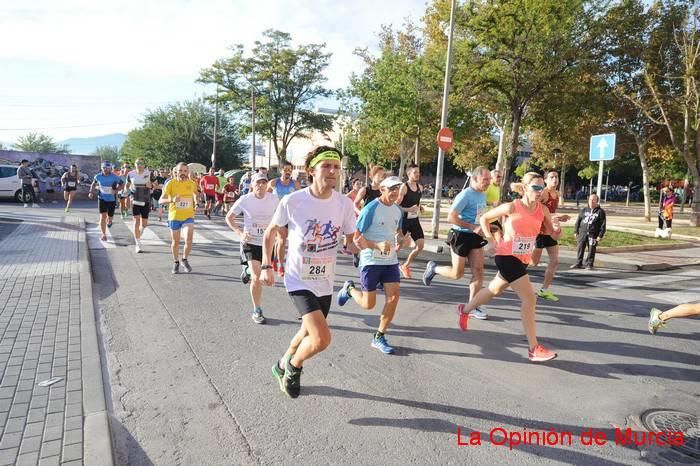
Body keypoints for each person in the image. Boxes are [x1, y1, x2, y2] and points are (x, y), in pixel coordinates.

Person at [263, 146, 357, 399]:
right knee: (321, 338)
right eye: (326, 166)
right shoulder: (293, 201)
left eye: (336, 166)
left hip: (324, 281)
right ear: (311, 170)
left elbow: (350, 240)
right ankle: (294, 367)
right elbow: (270, 232)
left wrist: (370, 247)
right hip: (297, 279)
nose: (332, 171)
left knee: (306, 332)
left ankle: (281, 364)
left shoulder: (344, 203)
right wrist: (266, 266)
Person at [456, 172, 559, 363]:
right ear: (525, 188)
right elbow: (484, 219)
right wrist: (489, 241)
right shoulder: (512, 206)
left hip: (523, 259)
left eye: (541, 187)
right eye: (535, 187)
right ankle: (533, 348)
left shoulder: (542, 210)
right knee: (529, 299)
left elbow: (550, 233)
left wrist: (556, 229)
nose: (539, 191)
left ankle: (465, 309)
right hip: (506, 255)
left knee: (493, 290)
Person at [337, 176, 405, 354]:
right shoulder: (371, 209)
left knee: (394, 297)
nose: (395, 193)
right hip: (371, 260)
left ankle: (379, 336)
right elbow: (356, 239)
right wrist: (377, 245)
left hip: (390, 260)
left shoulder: (398, 210)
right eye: (391, 189)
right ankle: (350, 289)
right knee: (368, 305)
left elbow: (398, 231)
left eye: (398, 189)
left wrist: (401, 239)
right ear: (382, 189)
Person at [422, 167, 491, 320]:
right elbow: (451, 218)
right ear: (474, 179)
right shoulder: (465, 195)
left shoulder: (482, 194)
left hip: (475, 236)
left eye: (489, 179)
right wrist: (473, 227)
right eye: (485, 179)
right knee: (457, 273)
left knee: (478, 271)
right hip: (460, 235)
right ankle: (434, 268)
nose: (488, 182)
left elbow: (480, 214)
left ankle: (473, 305)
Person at [226, 172, 279, 324]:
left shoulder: (274, 199)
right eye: (258, 183)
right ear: (252, 185)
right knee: (256, 278)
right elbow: (229, 217)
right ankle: (257, 310)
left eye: (264, 182)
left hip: (267, 244)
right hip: (250, 242)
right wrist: (240, 233)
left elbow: (282, 218)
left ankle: (247, 270)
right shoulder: (245, 200)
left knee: (266, 280)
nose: (261, 186)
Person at [528, 170, 570, 302]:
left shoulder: (556, 194)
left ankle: (544, 290)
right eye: (552, 177)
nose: (555, 179)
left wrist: (559, 218)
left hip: (549, 231)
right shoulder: (543, 193)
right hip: (539, 232)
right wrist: (555, 216)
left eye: (556, 177)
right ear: (546, 180)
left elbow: (550, 213)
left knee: (555, 261)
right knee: (532, 263)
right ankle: (510, 275)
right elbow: (536, 210)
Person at [160, 163, 198, 274]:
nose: (183, 173)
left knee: (188, 240)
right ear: (176, 171)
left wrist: (196, 202)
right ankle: (176, 262)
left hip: (188, 216)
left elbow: (195, 193)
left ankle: (184, 259)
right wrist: (171, 200)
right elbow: (161, 200)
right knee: (175, 242)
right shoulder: (170, 183)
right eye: (180, 170)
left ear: (188, 172)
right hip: (174, 217)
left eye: (185, 171)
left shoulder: (192, 183)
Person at [267, 160, 302, 276]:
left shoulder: (295, 184)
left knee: (282, 240)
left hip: (291, 216)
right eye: (286, 170)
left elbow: (301, 200)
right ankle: (281, 265)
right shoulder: (273, 183)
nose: (288, 172)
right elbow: (265, 197)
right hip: (278, 216)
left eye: (290, 170)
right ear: (281, 170)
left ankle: (276, 259)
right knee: (282, 239)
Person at [396, 164, 424, 279]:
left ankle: (405, 265)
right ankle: (383, 265)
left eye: (418, 172)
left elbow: (416, 202)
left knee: (420, 245)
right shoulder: (404, 187)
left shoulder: (420, 187)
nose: (417, 174)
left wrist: (420, 207)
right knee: (398, 246)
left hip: (414, 220)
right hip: (403, 221)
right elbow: (396, 206)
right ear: (409, 174)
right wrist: (408, 209)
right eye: (415, 172)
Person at [88, 162, 123, 241]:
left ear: (110, 169)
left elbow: (122, 184)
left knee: (110, 217)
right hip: (101, 198)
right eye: (104, 168)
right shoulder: (98, 176)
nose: (106, 170)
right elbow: (93, 184)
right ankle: (104, 234)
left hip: (112, 199)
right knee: (102, 216)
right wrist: (91, 192)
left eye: (107, 168)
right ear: (102, 168)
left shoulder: (114, 177)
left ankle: (110, 221)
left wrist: (117, 190)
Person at [571, 194, 606, 270]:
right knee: (580, 248)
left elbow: (603, 225)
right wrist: (575, 231)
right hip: (582, 233)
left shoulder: (600, 212)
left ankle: (589, 264)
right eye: (590, 199)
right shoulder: (583, 210)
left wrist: (600, 235)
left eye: (593, 200)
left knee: (591, 249)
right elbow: (578, 221)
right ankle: (578, 263)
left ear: (597, 201)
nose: (591, 201)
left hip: (593, 234)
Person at [127, 158, 154, 253]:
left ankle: (138, 234)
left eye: (141, 163)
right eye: (138, 163)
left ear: (144, 165)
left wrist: (150, 185)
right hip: (135, 199)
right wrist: (128, 196)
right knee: (136, 221)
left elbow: (154, 185)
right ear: (135, 164)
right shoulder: (130, 174)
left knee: (144, 224)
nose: (139, 165)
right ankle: (138, 244)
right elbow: (127, 185)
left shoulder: (149, 173)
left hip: (146, 200)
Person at [343, 178, 363, 254]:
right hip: (351, 215)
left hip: (358, 214)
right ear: (353, 185)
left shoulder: (360, 193)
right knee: (349, 231)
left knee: (356, 231)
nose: (359, 185)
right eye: (357, 184)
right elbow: (344, 200)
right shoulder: (350, 194)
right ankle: (345, 247)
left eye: (360, 184)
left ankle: (353, 247)